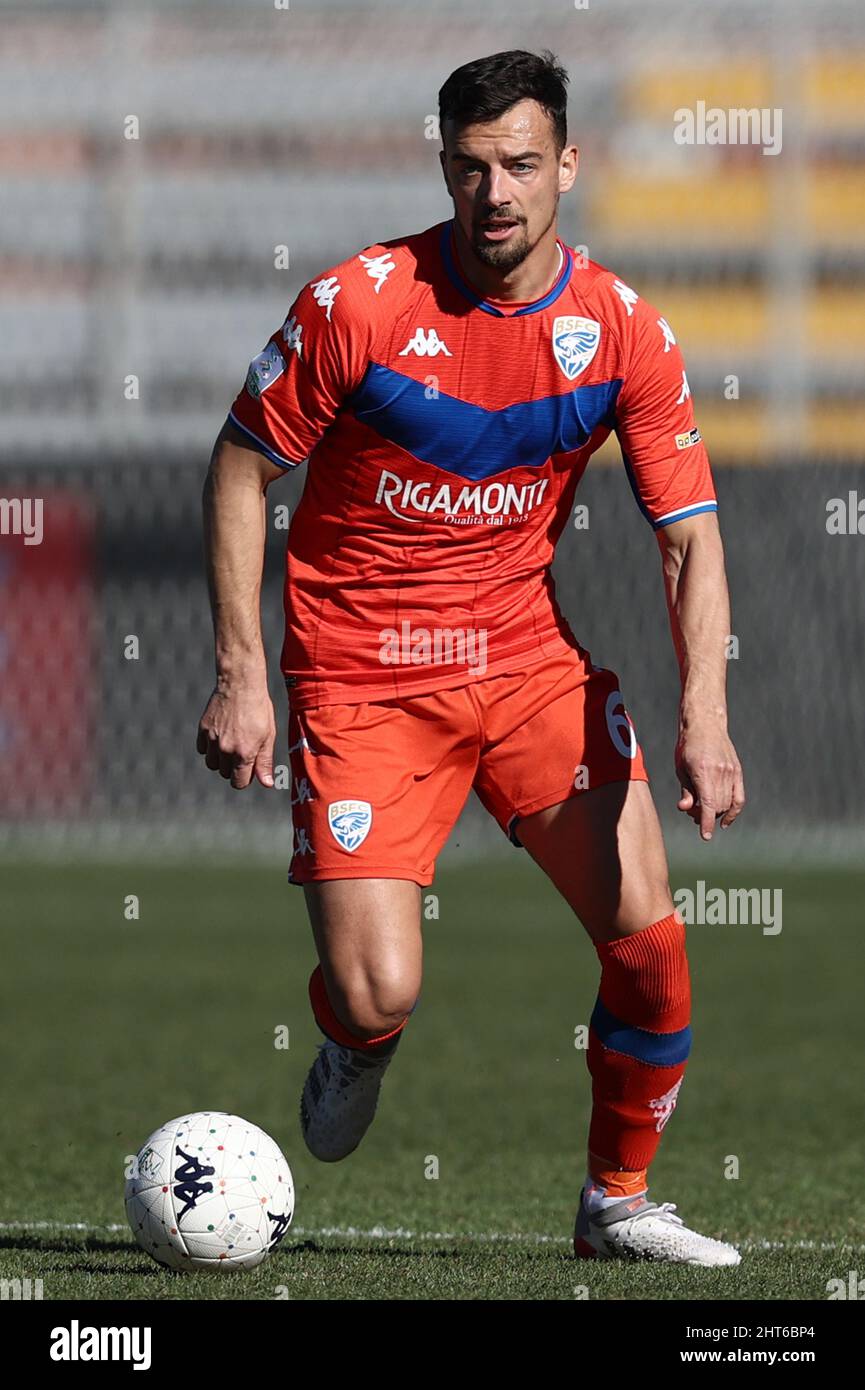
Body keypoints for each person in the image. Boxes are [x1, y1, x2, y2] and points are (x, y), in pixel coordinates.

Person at [197, 48, 745, 1265]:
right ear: (441, 167)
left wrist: (703, 715)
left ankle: (616, 1201)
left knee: (651, 949)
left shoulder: (619, 332)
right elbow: (241, 464)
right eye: (468, 168)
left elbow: (688, 541)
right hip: (361, 672)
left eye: (519, 165)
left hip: (525, 662)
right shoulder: (361, 304)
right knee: (380, 987)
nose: (494, 193)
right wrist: (243, 670)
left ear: (568, 165)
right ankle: (355, 1041)